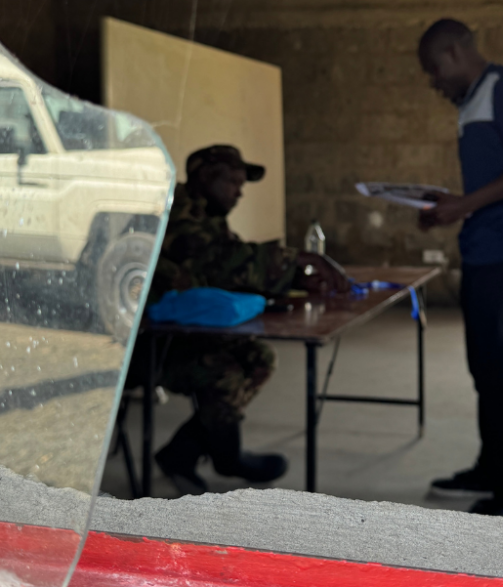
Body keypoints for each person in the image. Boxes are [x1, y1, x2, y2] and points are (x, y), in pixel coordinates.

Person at [134, 144, 349, 495]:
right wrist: (296, 259)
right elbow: (218, 261)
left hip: (185, 331)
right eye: (232, 182)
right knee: (224, 372)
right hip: (148, 343)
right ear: (206, 177)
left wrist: (297, 280)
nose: (239, 191)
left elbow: (232, 271)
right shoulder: (177, 213)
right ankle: (225, 456)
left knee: (258, 357)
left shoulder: (208, 216)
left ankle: (184, 452)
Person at [417, 19, 503, 517]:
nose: (433, 81)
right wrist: (450, 206)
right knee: (486, 372)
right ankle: (490, 468)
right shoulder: (471, 102)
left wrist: (465, 204)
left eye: (434, 69)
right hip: (484, 248)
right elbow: (492, 179)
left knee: (501, 377)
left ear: (454, 52)